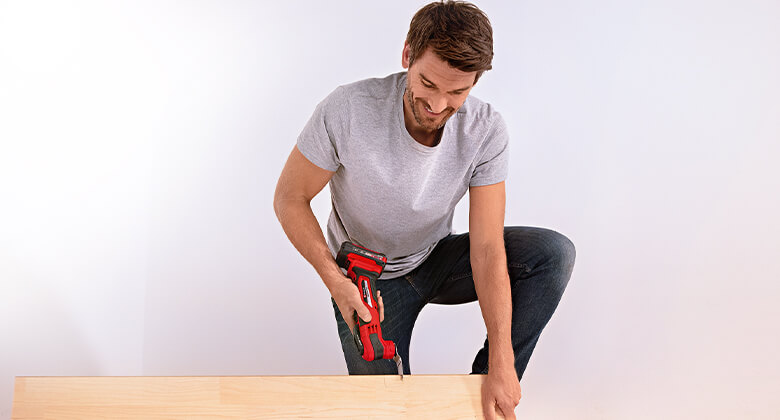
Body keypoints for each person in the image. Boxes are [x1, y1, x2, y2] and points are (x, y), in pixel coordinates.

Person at [273, 1, 576, 418]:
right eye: (428, 84)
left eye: (457, 92)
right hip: (366, 280)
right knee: (388, 410)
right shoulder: (346, 109)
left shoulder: (485, 129)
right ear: (407, 57)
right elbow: (290, 199)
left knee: (553, 254)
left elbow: (487, 250)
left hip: (436, 259)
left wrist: (503, 364)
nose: (438, 104)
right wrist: (335, 282)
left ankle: (487, 387)